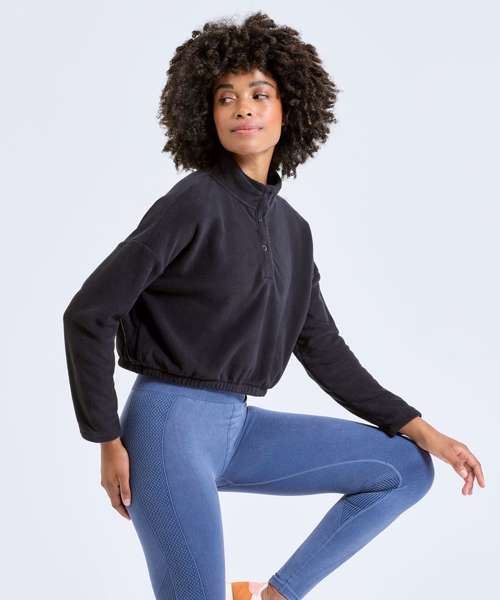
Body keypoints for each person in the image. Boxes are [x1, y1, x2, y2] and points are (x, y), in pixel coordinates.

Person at [62, 11, 485, 600]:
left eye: (259, 94)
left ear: (289, 109)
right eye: (226, 97)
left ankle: (275, 595)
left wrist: (427, 432)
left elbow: (324, 350)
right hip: (165, 430)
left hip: (237, 429)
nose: (243, 109)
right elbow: (88, 313)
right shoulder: (193, 201)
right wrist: (107, 440)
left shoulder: (294, 231)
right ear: (206, 115)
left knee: (406, 469)